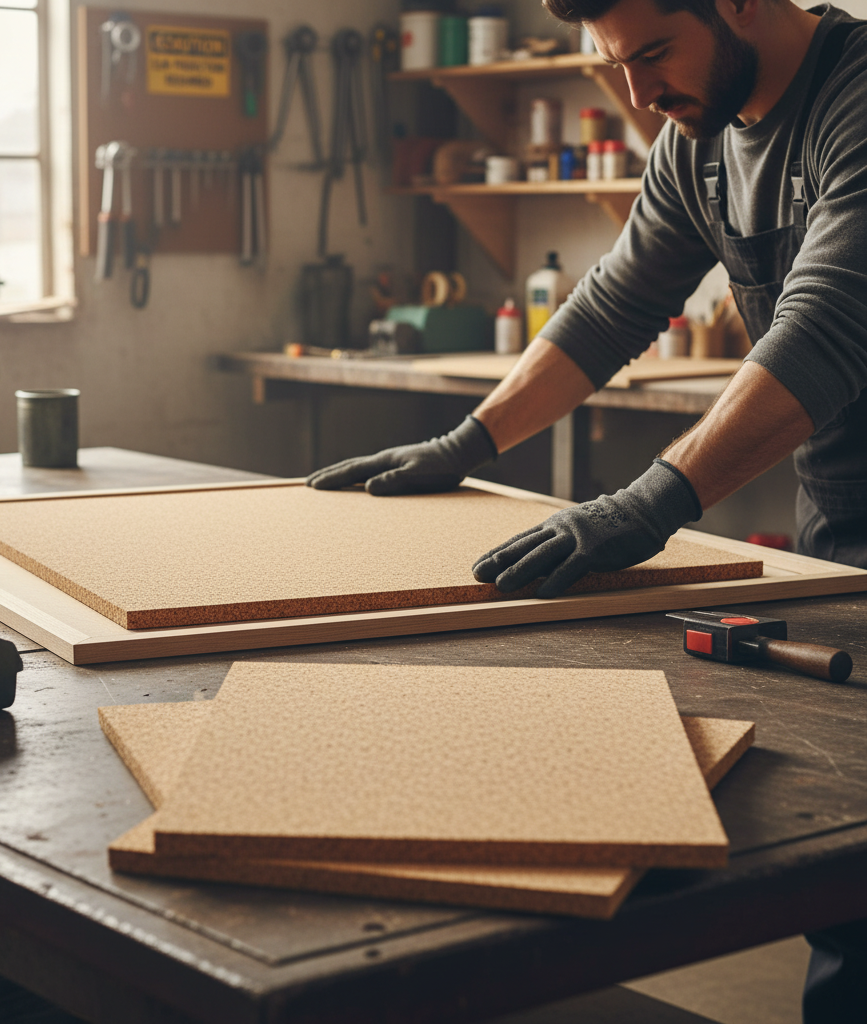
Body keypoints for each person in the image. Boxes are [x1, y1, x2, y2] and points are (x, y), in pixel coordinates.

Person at [307, 1, 867, 1019]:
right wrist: (466, 442)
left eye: (653, 54)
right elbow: (613, 305)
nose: (638, 96)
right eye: (613, 66)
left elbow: (830, 326)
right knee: (852, 905)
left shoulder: (857, 99)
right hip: (846, 532)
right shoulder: (697, 139)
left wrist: (649, 502)